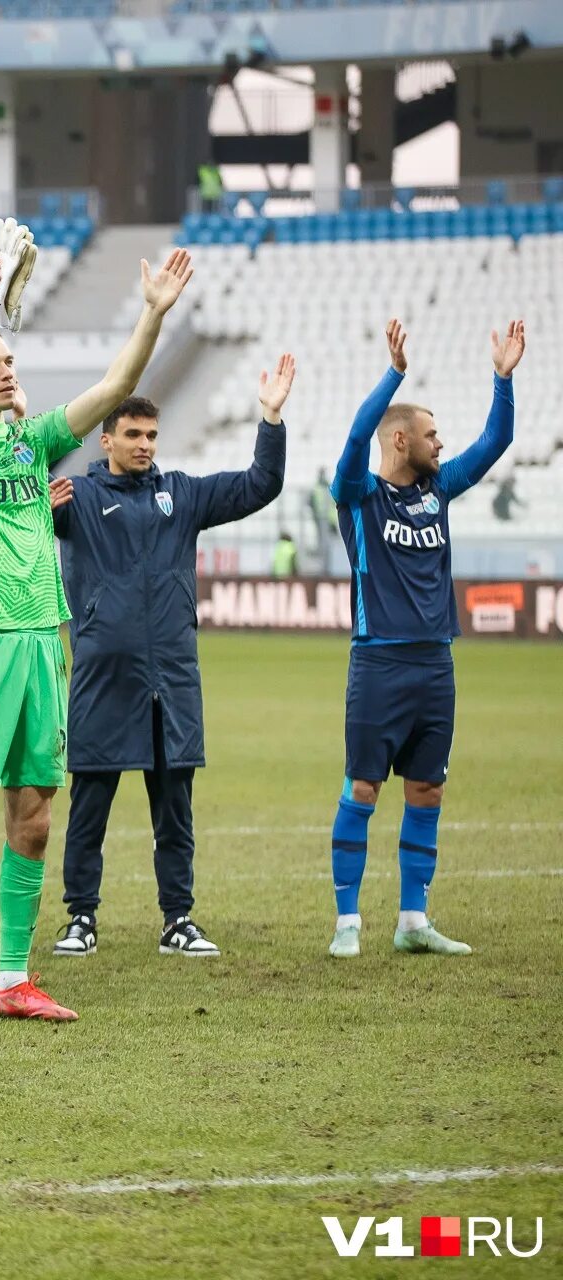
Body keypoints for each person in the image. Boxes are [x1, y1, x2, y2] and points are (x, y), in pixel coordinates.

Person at [0, 246, 195, 1029]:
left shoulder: (33, 443)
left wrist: (154, 311)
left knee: (33, 815)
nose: (5, 369)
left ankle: (13, 979)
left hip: (40, 646)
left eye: (8, 359)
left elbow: (115, 389)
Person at [50, 366, 291, 961]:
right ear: (105, 440)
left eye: (151, 436)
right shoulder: (76, 498)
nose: (144, 445)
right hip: (103, 678)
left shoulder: (182, 494)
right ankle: (80, 917)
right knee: (90, 806)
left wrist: (271, 418)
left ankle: (176, 919)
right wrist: (38, 494)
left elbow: (261, 483)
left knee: (175, 811)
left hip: (171, 681)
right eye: (132, 435)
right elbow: (24, 518)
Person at [324, 318, 522, 960]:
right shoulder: (357, 495)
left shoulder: (438, 490)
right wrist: (394, 375)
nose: (442, 444)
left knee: (428, 789)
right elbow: (358, 436)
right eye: (432, 434)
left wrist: (503, 379)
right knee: (363, 788)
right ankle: (347, 922)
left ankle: (413, 920)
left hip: (436, 664)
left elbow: (497, 441)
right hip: (378, 663)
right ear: (402, 440)